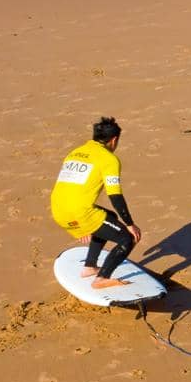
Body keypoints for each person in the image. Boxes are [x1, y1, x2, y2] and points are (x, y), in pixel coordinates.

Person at [49, 117, 142, 290]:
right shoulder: (109, 159)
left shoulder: (75, 152)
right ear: (114, 140)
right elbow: (115, 196)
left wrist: (75, 227)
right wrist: (130, 224)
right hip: (80, 213)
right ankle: (102, 278)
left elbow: (66, 190)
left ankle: (89, 266)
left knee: (110, 217)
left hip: (58, 210)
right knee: (127, 238)